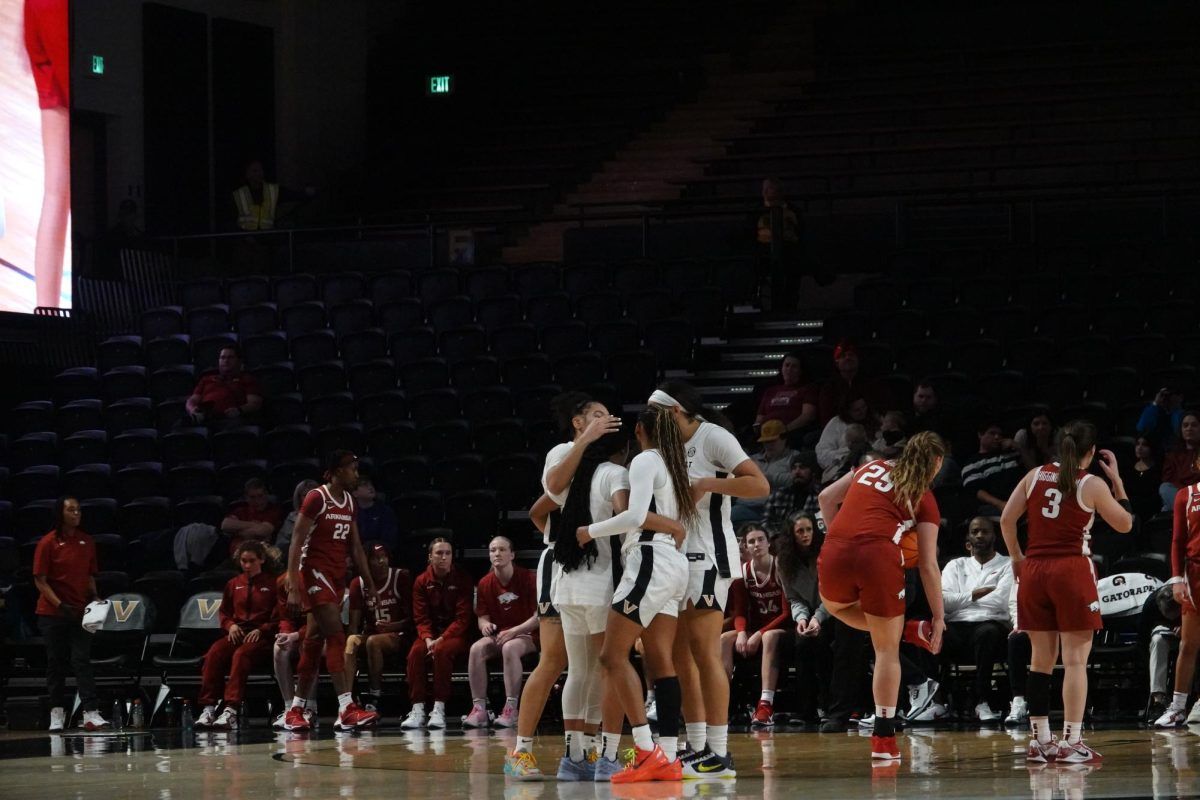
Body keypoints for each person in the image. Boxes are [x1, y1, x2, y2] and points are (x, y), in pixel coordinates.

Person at [528, 429, 676, 781]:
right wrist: (669, 525)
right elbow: (629, 517)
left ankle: (574, 757)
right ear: (624, 451)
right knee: (612, 666)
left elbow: (538, 510)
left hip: (567, 585)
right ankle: (609, 754)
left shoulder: (576, 476)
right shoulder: (615, 473)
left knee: (579, 673)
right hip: (599, 584)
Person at [653, 380, 769, 779]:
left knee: (704, 652)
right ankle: (698, 745)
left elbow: (759, 484)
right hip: (676, 556)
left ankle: (719, 753)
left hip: (709, 554)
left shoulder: (713, 436)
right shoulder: (665, 448)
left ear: (673, 412)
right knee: (682, 655)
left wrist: (707, 483)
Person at [1000, 421, 1133, 763]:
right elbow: (1125, 524)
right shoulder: (1091, 483)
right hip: (1071, 569)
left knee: (1039, 662)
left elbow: (1005, 519)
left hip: (1034, 571)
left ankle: (1040, 742)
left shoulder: (1034, 476)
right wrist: (1118, 482)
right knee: (1075, 661)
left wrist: (1016, 557)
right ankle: (1072, 742)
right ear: (1090, 452)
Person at [505, 392, 620, 780]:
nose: (606, 419)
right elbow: (547, 498)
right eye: (597, 415)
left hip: (594, 566)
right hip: (561, 565)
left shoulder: (602, 468)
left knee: (587, 665)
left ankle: (583, 749)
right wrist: (559, 541)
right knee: (553, 660)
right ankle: (520, 752)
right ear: (577, 421)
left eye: (608, 415)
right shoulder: (562, 452)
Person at [818, 432, 948, 762]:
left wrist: (841, 535)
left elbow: (824, 498)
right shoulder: (925, 495)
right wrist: (939, 617)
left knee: (835, 606)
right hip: (879, 556)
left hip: (836, 550)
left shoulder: (868, 468)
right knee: (886, 651)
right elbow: (929, 565)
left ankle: (904, 629)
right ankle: (884, 739)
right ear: (935, 462)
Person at [585, 404, 693, 783]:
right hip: (673, 565)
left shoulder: (646, 459)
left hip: (649, 558)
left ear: (638, 430)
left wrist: (590, 531)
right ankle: (669, 754)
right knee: (661, 661)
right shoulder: (675, 463)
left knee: (612, 655)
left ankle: (647, 752)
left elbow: (633, 517)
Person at [283, 450, 379, 732]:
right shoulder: (317, 497)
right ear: (335, 471)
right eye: (352, 468)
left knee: (313, 643)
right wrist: (292, 583)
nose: (356, 474)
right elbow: (296, 540)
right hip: (313, 573)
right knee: (336, 635)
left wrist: (369, 582)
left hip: (336, 577)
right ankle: (346, 707)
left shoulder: (349, 501)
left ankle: (295, 709)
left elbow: (356, 547)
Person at [33, 497, 106, 731]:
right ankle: (57, 713)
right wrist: (60, 605)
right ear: (60, 514)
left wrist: (94, 597)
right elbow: (40, 580)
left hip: (80, 612)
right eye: (71, 510)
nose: (77, 513)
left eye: (78, 509)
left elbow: (89, 575)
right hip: (52, 613)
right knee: (56, 662)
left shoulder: (87, 541)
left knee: (81, 660)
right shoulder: (48, 542)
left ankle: (91, 713)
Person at [938, 517, 1013, 722]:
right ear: (968, 538)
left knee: (986, 633)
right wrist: (974, 594)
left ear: (994, 536)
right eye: (975, 531)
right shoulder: (955, 565)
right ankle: (937, 702)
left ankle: (983, 701)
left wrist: (960, 599)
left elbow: (999, 602)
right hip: (957, 625)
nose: (980, 535)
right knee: (933, 633)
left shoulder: (1008, 564)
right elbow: (944, 602)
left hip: (992, 625)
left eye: (985, 531)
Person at [195, 541, 276, 729]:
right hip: (237, 633)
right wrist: (230, 625)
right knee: (215, 652)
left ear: (262, 560)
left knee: (241, 655)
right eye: (243, 561)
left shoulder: (272, 584)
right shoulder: (233, 584)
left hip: (261, 636)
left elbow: (278, 617)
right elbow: (223, 612)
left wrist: (262, 629)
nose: (247, 565)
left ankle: (231, 709)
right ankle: (208, 708)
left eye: (251, 561)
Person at [23, 0, 71, 309]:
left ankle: (46, 310)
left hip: (38, 11)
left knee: (55, 194)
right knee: (57, 194)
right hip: (58, 13)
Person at [722, 525, 793, 728]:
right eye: (751, 541)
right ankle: (723, 701)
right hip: (757, 629)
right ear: (746, 546)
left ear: (768, 543)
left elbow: (786, 613)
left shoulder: (780, 567)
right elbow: (740, 612)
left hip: (783, 628)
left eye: (760, 539)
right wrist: (743, 633)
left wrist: (759, 634)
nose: (757, 544)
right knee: (724, 639)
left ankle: (765, 704)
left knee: (769, 637)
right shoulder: (742, 573)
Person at [464, 537, 538, 730]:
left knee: (510, 648)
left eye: (502, 550)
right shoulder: (484, 583)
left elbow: (539, 617)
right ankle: (479, 709)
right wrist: (485, 625)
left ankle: (511, 709)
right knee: (476, 649)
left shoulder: (529, 578)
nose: (497, 553)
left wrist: (515, 631)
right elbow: (482, 616)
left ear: (512, 554)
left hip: (528, 633)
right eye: (493, 550)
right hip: (501, 634)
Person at [401, 538, 473, 730]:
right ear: (430, 557)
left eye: (448, 553)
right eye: (439, 553)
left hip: (455, 634)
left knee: (441, 651)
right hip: (430, 634)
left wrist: (440, 639)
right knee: (415, 653)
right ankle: (417, 709)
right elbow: (421, 617)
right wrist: (427, 639)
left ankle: (439, 708)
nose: (444, 557)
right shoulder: (421, 581)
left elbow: (462, 619)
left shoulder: (462, 578)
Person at [344, 543, 413, 715]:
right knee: (351, 641)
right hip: (372, 634)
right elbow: (353, 624)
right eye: (376, 558)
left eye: (384, 556)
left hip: (399, 634)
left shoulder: (401, 576)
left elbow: (414, 619)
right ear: (366, 562)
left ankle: (375, 697)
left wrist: (393, 626)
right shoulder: (357, 584)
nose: (382, 561)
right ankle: (348, 698)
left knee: (374, 642)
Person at [775, 512, 831, 722]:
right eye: (800, 531)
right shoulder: (784, 561)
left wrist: (818, 618)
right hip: (807, 616)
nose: (806, 534)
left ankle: (827, 706)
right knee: (801, 644)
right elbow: (794, 598)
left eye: (809, 529)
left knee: (823, 642)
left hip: (831, 612)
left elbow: (833, 594)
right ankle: (806, 710)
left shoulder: (824, 553)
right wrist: (801, 620)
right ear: (792, 534)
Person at [1154, 479, 1200, 726]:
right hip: (1194, 577)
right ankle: (1178, 708)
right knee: (1188, 645)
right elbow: (1177, 541)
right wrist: (1176, 579)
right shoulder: (1187, 495)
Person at [270, 571, 315, 730]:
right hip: (295, 633)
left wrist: (295, 636)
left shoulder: (315, 581)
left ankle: (308, 706)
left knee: (309, 647)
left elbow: (317, 621)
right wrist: (285, 635)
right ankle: (289, 706)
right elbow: (285, 617)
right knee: (278, 649)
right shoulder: (282, 581)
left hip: (319, 632)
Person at [732, 421, 798, 525]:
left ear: (784, 438)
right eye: (765, 442)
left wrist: (760, 475)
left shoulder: (793, 457)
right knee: (727, 517)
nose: (768, 445)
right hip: (746, 505)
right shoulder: (753, 459)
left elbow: (793, 479)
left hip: (775, 507)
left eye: (772, 441)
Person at [185, 346, 263, 428]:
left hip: (230, 419)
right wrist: (193, 410)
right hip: (205, 417)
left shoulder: (247, 379)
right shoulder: (206, 379)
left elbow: (255, 403)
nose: (226, 361)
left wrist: (239, 410)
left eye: (230, 357)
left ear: (239, 361)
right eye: (223, 358)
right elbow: (192, 400)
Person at [817, 343, 887, 426]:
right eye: (842, 356)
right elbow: (826, 417)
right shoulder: (829, 387)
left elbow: (881, 409)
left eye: (851, 355)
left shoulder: (872, 383)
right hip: (839, 428)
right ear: (837, 363)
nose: (848, 358)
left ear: (858, 360)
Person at [961, 420, 1023, 515]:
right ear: (981, 435)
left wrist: (1019, 447)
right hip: (993, 508)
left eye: (999, 434)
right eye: (992, 433)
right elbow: (976, 490)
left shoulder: (1010, 455)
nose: (997, 437)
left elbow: (1033, 469)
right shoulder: (972, 463)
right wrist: (1000, 504)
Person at [754, 352, 818, 438]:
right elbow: (760, 418)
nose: (789, 369)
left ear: (801, 370)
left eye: (794, 366)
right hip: (766, 434)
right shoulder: (770, 391)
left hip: (791, 433)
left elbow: (807, 416)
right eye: (787, 365)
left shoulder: (808, 389)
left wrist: (784, 430)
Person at [816, 396, 877, 483]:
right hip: (842, 472)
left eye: (864, 407)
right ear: (848, 411)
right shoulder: (836, 423)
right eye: (857, 410)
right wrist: (847, 454)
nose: (862, 412)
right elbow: (822, 454)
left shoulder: (875, 421)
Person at [220, 478, 283, 559]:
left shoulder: (273, 511)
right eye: (252, 497)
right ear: (246, 497)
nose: (257, 501)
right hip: (235, 556)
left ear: (266, 494)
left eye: (260, 496)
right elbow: (225, 525)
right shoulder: (240, 510)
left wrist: (236, 531)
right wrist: (254, 524)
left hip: (259, 557)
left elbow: (263, 530)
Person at [763, 451, 821, 530]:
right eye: (794, 468)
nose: (797, 472)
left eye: (802, 467)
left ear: (813, 472)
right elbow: (766, 522)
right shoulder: (779, 495)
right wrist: (774, 537)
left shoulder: (820, 497)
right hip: (780, 539)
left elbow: (822, 527)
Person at [1160, 413, 1200, 511]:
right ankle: (1190, 510)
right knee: (1164, 488)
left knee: (1166, 509)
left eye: (1194, 425)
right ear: (1181, 430)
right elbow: (1169, 480)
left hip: (1198, 494)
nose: (1189, 428)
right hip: (1181, 494)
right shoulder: (1173, 455)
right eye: (1185, 425)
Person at [353, 475, 399, 556]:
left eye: (371, 484)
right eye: (364, 485)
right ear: (355, 493)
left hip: (380, 554)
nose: (370, 487)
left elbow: (389, 540)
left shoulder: (384, 511)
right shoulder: (352, 513)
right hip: (357, 555)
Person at [1123, 436, 1162, 524]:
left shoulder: (1158, 469)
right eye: (1137, 444)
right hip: (1130, 510)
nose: (1139, 448)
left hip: (1150, 510)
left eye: (1144, 445)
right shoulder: (1128, 468)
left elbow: (1155, 496)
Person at [276, 479, 320, 554]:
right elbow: (281, 544)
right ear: (299, 498)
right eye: (305, 495)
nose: (310, 498)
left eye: (313, 494)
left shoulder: (328, 515)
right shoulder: (292, 518)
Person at [1138, 386, 1185, 450]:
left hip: (1176, 450)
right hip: (1156, 450)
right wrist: (1155, 404)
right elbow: (1142, 429)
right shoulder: (1153, 411)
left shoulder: (1183, 415)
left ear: (1180, 397)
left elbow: (1178, 430)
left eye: (1170, 395)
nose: (1166, 398)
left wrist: (1175, 407)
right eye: (1163, 395)